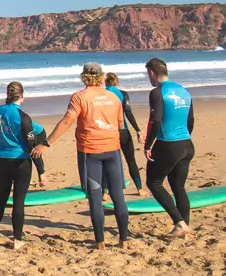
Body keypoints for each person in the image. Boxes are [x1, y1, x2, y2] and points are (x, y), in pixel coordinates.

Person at [32, 62, 131, 249]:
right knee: (118, 196)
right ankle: (123, 240)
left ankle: (100, 241)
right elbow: (120, 126)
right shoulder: (113, 97)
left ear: (84, 77)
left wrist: (46, 143)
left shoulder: (79, 97)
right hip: (113, 151)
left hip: (89, 153)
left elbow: (67, 122)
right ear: (102, 77)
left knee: (95, 197)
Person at [143, 57, 195, 238]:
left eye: (147, 74)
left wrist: (148, 145)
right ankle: (185, 227)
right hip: (187, 144)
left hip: (168, 145)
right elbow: (190, 120)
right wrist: (183, 138)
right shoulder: (184, 91)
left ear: (152, 73)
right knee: (178, 187)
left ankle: (179, 223)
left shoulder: (157, 92)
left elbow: (155, 120)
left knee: (154, 183)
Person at [0, 82, 37, 249]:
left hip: (2, 158)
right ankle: (17, 240)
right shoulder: (23, 117)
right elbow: (31, 144)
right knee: (18, 201)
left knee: (1, 196)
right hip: (21, 160)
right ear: (22, 96)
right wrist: (41, 169)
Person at [106, 72, 148, 196]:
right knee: (131, 160)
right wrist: (138, 130)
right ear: (116, 82)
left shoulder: (102, 94)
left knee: (107, 162)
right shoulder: (123, 94)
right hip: (123, 131)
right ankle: (140, 189)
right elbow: (128, 113)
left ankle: (105, 192)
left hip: (107, 132)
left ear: (104, 81)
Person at [31, 118, 49, 188]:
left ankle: (42, 174)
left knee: (34, 153)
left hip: (38, 133)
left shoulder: (19, 119)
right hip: (27, 133)